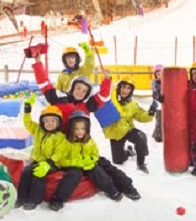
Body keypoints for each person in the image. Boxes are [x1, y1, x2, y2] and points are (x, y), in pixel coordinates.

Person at [31, 50, 141, 200]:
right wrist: (38, 62)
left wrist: (107, 80)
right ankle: (110, 188)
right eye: (78, 88)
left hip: (81, 144)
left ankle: (127, 187)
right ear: (72, 87)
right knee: (92, 169)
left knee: (105, 165)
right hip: (63, 146)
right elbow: (44, 83)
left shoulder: (87, 105)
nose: (80, 92)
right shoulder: (59, 98)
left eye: (84, 91)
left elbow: (103, 96)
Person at [49, 111, 123, 211]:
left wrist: (90, 160)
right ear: (71, 129)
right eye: (76, 129)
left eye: (83, 128)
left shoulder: (89, 140)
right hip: (72, 165)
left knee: (97, 171)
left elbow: (95, 154)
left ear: (87, 129)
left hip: (87, 164)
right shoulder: (66, 142)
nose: (80, 131)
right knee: (74, 174)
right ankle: (58, 199)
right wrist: (76, 162)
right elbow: (60, 160)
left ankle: (111, 190)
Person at [16, 95, 69, 210]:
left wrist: (48, 163)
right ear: (42, 122)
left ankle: (34, 200)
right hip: (38, 160)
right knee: (26, 171)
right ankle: (21, 197)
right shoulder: (38, 131)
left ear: (58, 122)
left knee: (38, 173)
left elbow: (59, 153)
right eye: (46, 121)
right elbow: (28, 122)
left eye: (53, 120)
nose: (49, 123)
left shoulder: (60, 137)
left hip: (53, 163)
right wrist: (27, 109)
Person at [103, 76, 157, 173]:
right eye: (123, 87)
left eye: (128, 88)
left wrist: (151, 112)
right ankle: (129, 152)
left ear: (131, 91)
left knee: (141, 137)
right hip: (115, 133)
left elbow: (141, 116)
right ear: (119, 88)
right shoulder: (111, 99)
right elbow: (106, 91)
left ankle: (141, 163)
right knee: (118, 161)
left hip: (127, 129)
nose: (125, 90)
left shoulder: (132, 104)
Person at [151, 64, 164, 142]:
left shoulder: (167, 82)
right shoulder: (154, 82)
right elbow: (154, 92)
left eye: (162, 74)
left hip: (165, 106)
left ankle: (160, 133)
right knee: (159, 120)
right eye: (158, 74)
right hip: (158, 106)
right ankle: (157, 135)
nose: (160, 76)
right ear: (155, 75)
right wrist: (158, 97)